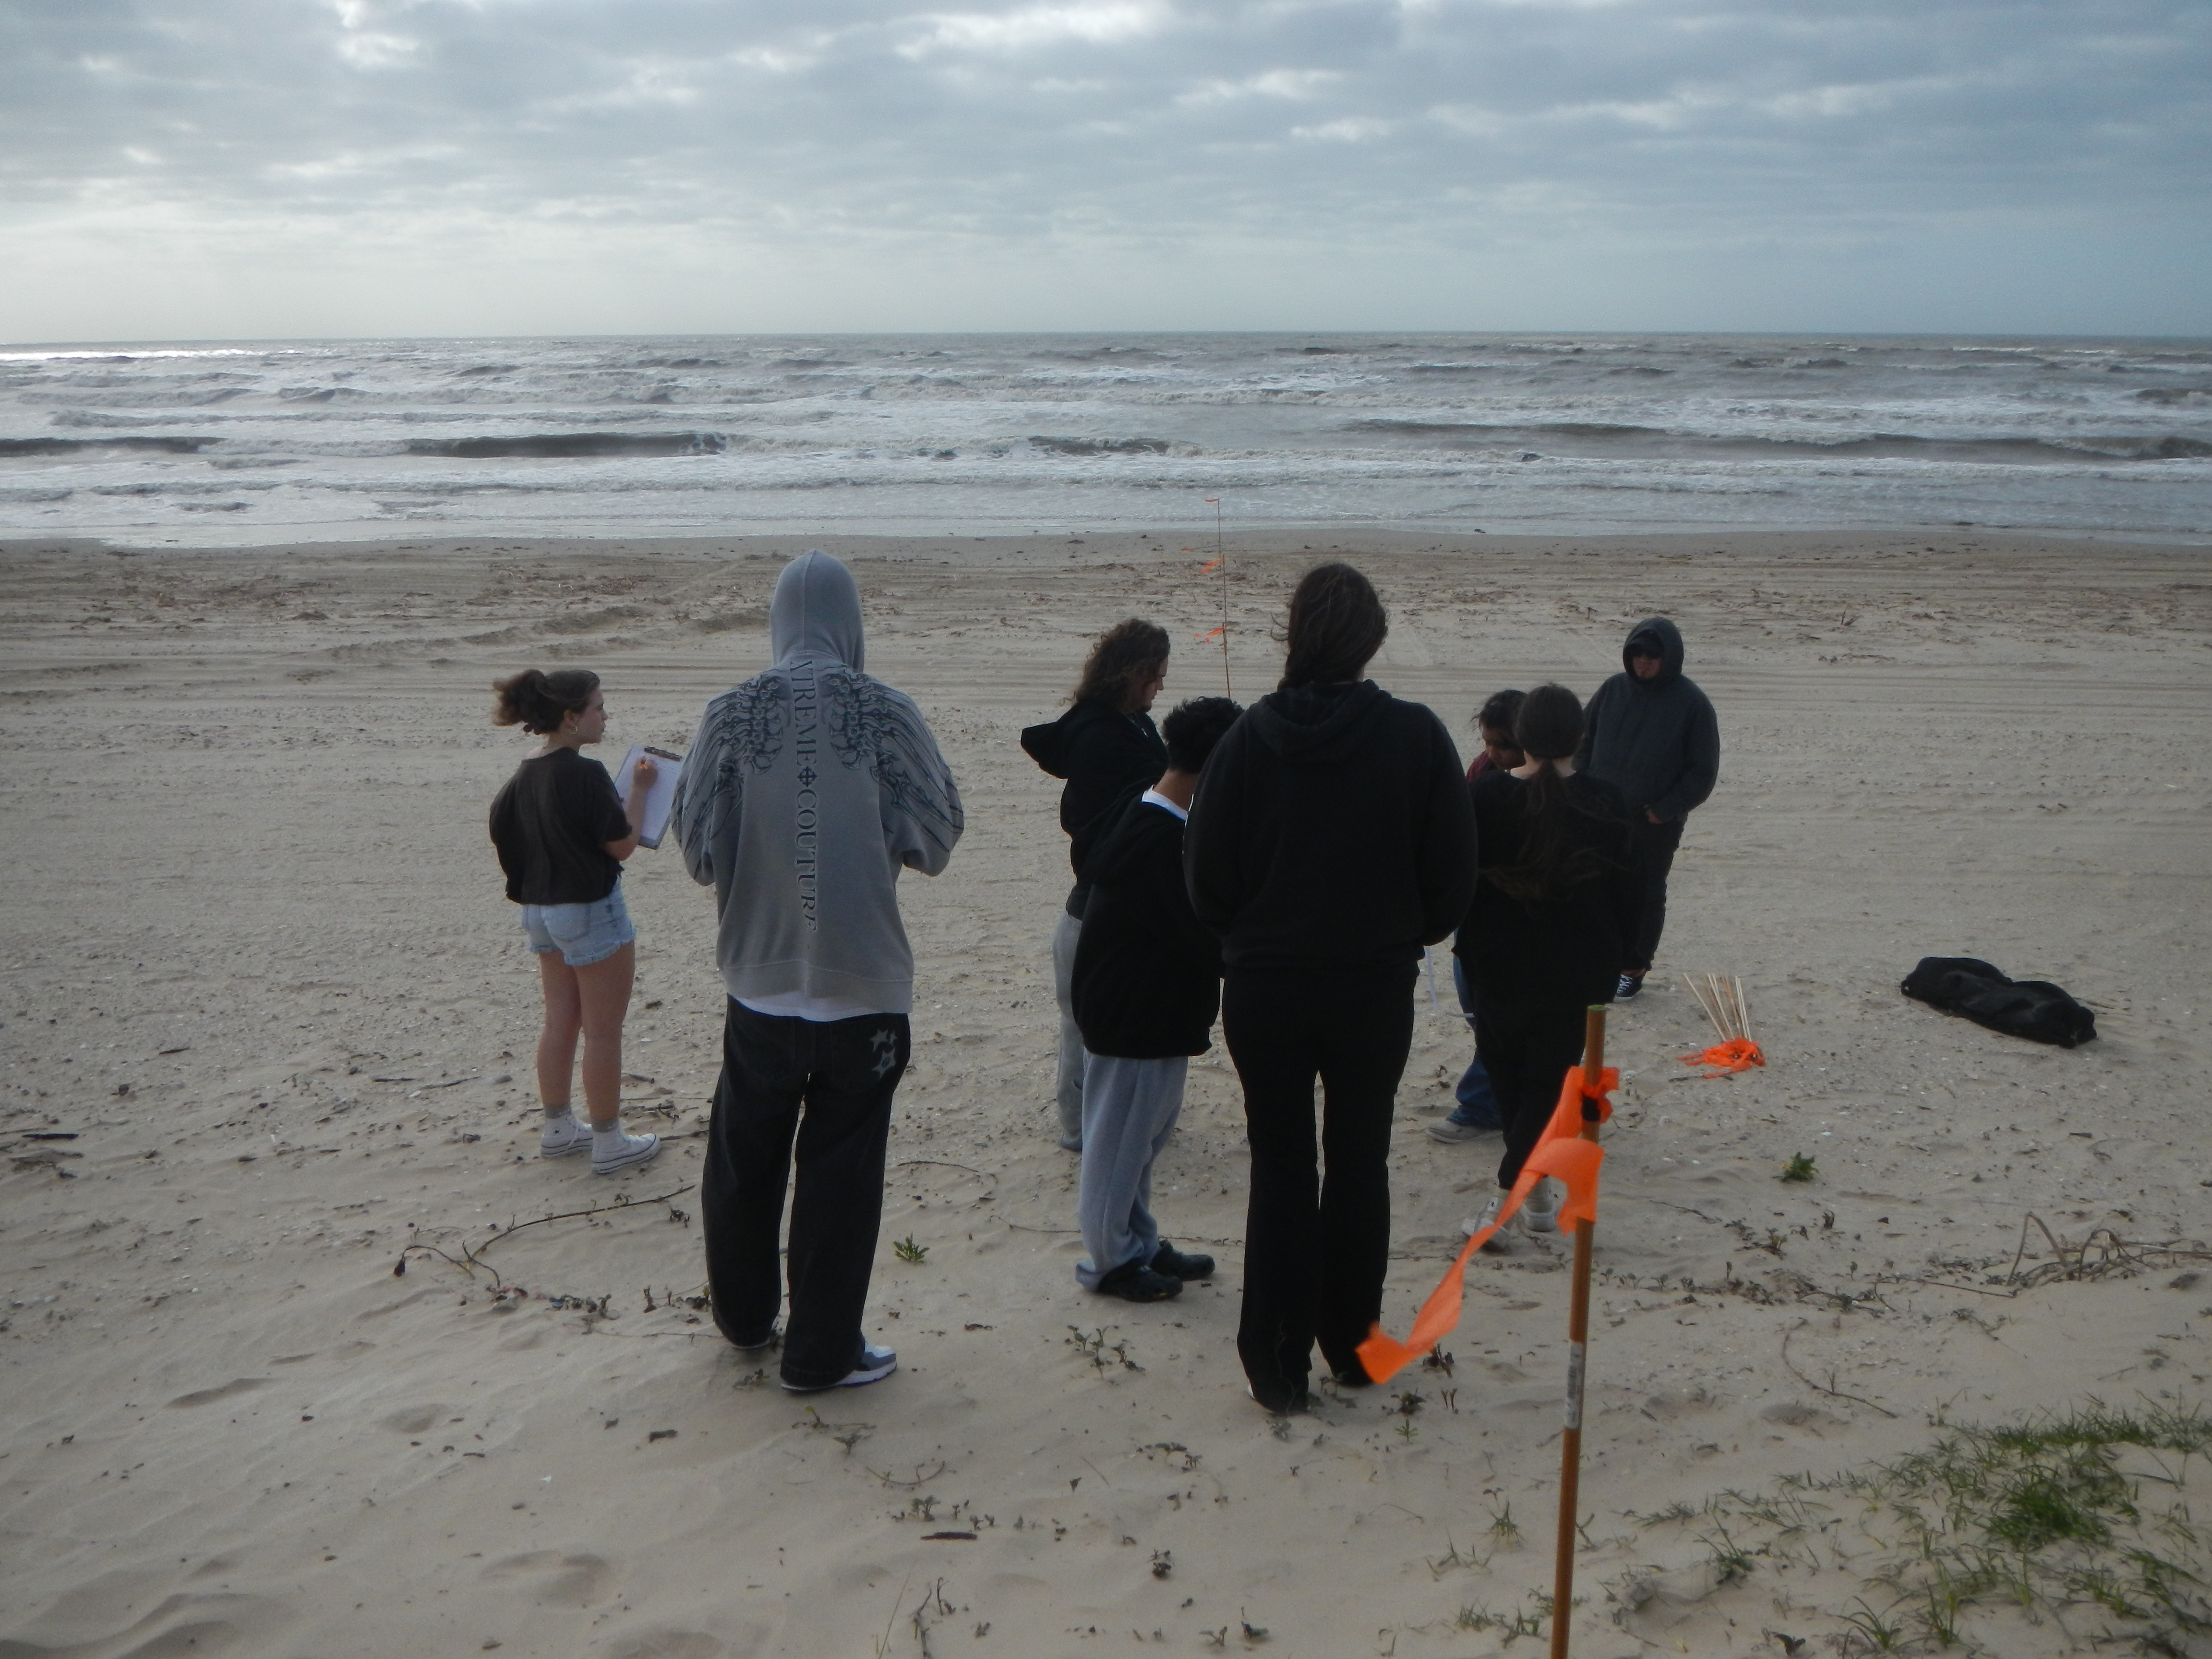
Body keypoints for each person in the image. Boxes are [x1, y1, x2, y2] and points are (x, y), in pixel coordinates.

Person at [1185, 564, 1477, 1414]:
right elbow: (1452, 878)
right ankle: (1348, 1344)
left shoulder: (1250, 740)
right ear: (1369, 641)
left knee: (1286, 1163)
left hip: (1274, 986)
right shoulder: (1410, 737)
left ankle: (1282, 1360)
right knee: (1355, 1158)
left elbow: (1206, 879)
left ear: (1296, 635)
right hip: (1364, 985)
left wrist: (1256, 935)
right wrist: (1397, 929)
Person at [671, 552, 964, 1394]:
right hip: (863, 986)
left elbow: (696, 850)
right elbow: (938, 835)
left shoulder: (728, 713)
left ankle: (744, 1319)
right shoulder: (887, 709)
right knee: (842, 1171)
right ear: (850, 623)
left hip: (760, 984)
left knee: (745, 1154)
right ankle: (819, 1355)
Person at [1069, 695, 1243, 1302]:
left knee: (1143, 1141)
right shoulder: (1155, 835)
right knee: (1119, 1145)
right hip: (1133, 1016)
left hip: (1156, 1013)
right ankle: (1109, 1260)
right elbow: (1201, 934)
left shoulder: (1159, 819)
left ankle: (1137, 1241)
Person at [1455, 684, 1640, 1243]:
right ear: (1578, 736)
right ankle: (1534, 1192)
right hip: (1562, 968)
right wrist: (1626, 955)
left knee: (1531, 1083)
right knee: (1518, 1085)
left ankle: (1507, 1197)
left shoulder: (1495, 795)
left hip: (1509, 964)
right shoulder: (1596, 799)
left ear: (1524, 735)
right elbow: (1631, 892)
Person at [488, 668, 664, 1177]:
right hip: (588, 905)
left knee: (560, 1019)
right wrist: (641, 789)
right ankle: (608, 1140)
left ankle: (559, 1126)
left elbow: (503, 830)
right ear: (571, 718)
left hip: (541, 908)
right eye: (598, 708)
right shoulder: (584, 773)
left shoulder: (526, 771)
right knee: (603, 1030)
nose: (604, 717)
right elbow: (623, 844)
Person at [1020, 620, 1171, 1151]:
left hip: (1119, 900)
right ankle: (1080, 1127)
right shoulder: (1099, 735)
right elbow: (1121, 823)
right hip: (1100, 902)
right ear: (1132, 674)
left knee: (1100, 1022)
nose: (1159, 687)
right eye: (1155, 676)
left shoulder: (1134, 724)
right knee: (1085, 1024)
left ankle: (1107, 1124)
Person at [1574, 618, 1719, 999]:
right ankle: (1599, 960)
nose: (1644, 660)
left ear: (1669, 658)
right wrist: (1581, 787)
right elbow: (1583, 741)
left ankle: (1633, 968)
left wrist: (1665, 810)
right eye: (1637, 653)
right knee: (1595, 887)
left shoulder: (1692, 704)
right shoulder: (1612, 690)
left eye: (1653, 655)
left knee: (1646, 895)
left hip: (1652, 821)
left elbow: (1702, 772)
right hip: (1601, 814)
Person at [1427, 688, 1526, 1145]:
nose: (1494, 752)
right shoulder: (1482, 773)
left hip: (1515, 921)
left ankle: (1483, 1104)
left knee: (1497, 1016)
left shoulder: (1546, 786)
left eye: (1504, 744)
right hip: (1474, 913)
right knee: (1476, 1010)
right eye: (1488, 742)